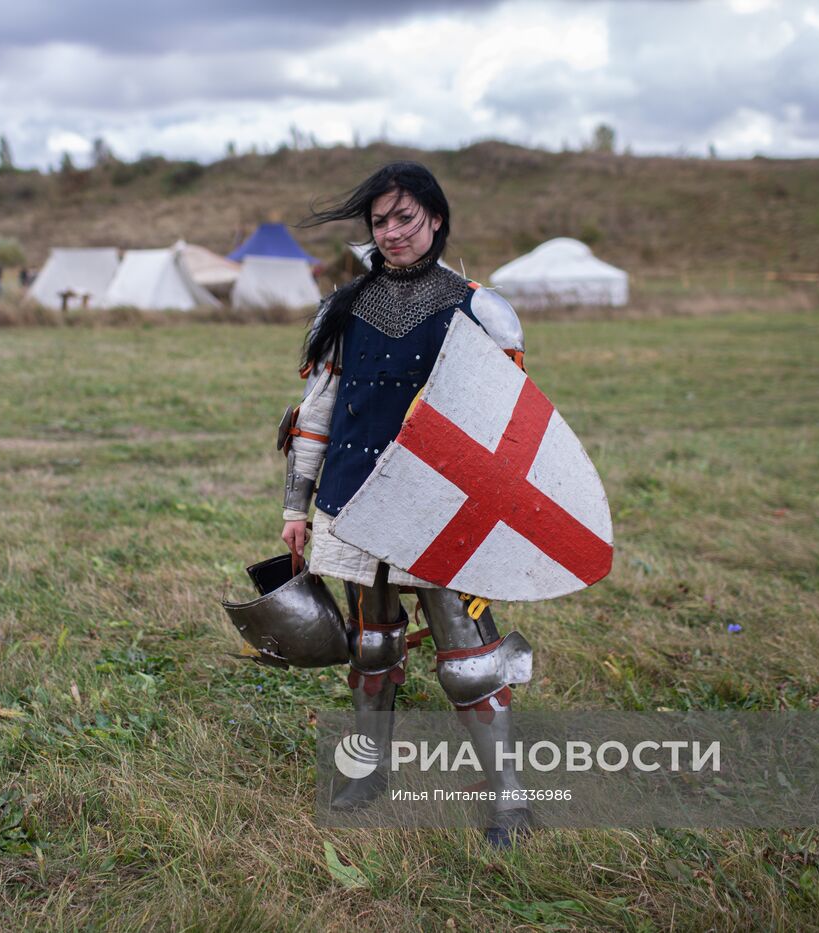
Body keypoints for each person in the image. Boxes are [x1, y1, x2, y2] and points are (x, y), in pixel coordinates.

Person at [282, 162, 534, 846]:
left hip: (441, 510)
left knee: (468, 654)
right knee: (372, 645)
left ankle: (508, 799)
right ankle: (368, 772)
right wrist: (296, 505)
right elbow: (317, 413)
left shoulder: (480, 309)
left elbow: (507, 428)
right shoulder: (345, 307)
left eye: (405, 218)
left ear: (436, 219)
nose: (391, 232)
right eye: (380, 221)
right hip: (355, 500)